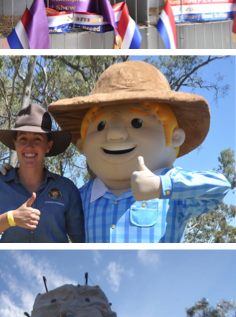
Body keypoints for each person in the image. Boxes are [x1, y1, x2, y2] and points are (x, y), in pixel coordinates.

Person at [48, 61, 231, 243]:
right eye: (101, 125)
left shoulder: (172, 189)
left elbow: (220, 187)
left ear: (175, 137)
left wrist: (161, 186)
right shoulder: (79, 198)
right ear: (82, 145)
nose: (115, 134)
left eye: (137, 122)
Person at [0, 103, 86, 243]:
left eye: (37, 138)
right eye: (23, 138)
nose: (29, 145)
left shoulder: (67, 189)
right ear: (15, 144)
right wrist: (11, 218)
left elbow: (83, 241)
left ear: (49, 146)